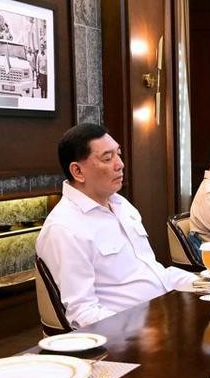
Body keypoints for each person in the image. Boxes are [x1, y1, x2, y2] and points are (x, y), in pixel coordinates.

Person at [36, 123, 197, 329]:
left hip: (165, 313)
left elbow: (155, 274)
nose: (120, 164)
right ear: (77, 171)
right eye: (107, 158)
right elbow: (82, 314)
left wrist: (205, 282)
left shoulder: (121, 205)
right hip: (128, 336)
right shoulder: (64, 228)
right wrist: (141, 330)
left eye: (118, 154)